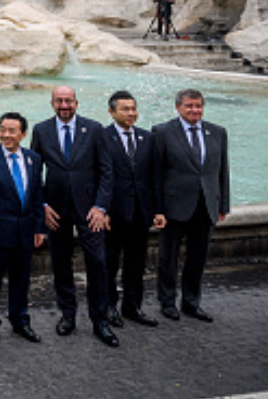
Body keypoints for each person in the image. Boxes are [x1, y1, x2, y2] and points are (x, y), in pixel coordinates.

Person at [31, 86, 118, 347]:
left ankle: (100, 320)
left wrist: (101, 207)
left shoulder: (94, 129)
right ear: (52, 103)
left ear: (76, 103)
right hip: (56, 211)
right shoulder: (41, 130)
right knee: (61, 263)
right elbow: (35, 172)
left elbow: (106, 172)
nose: (64, 105)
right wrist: (43, 205)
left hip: (89, 210)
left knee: (98, 263)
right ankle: (67, 315)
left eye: (68, 101)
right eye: (59, 101)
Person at [151, 88, 230, 322]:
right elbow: (155, 174)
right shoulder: (162, 132)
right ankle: (167, 302)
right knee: (168, 258)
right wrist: (158, 208)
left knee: (198, 258)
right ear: (178, 108)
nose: (194, 110)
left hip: (206, 205)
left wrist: (223, 204)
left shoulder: (217, 132)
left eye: (198, 106)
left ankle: (191, 302)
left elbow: (222, 171)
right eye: (189, 106)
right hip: (174, 208)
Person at [0, 113, 45, 344]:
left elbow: (37, 195)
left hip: (25, 230)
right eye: (3, 129)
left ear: (23, 134)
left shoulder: (34, 159)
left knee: (22, 279)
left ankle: (20, 321)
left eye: (12, 130)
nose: (6, 134)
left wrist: (39, 228)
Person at [99, 90, 159, 327]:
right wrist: (100, 210)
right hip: (112, 214)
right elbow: (97, 177)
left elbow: (155, 177)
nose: (131, 113)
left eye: (133, 108)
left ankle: (133, 306)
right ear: (111, 112)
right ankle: (109, 306)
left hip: (141, 213)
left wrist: (158, 210)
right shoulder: (101, 137)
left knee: (136, 263)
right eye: (125, 109)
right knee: (109, 263)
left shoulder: (148, 138)